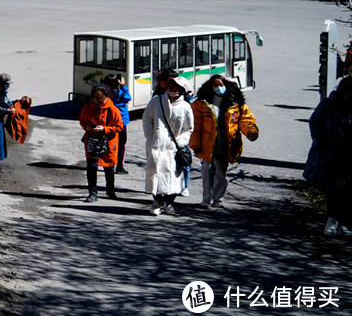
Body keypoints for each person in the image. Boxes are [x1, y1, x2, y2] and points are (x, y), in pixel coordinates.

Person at [190, 75, 260, 209]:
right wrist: (195, 145)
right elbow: (196, 126)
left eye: (221, 85)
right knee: (207, 172)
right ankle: (206, 199)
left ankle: (218, 199)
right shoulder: (201, 104)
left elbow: (246, 120)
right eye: (215, 85)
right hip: (207, 145)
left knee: (221, 173)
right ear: (210, 87)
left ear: (226, 85)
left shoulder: (236, 103)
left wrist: (251, 131)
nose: (218, 88)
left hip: (226, 144)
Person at [303, 76, 352, 236]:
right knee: (334, 189)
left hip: (347, 155)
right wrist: (322, 142)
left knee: (346, 191)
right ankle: (332, 222)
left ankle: (343, 224)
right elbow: (314, 123)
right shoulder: (328, 105)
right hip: (330, 154)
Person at [142, 75, 194, 215]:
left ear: (182, 90)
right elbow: (147, 118)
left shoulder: (185, 107)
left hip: (174, 148)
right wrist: (150, 136)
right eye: (171, 86)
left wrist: (181, 143)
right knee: (155, 173)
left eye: (176, 87)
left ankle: (169, 203)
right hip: (156, 145)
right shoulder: (157, 101)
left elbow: (188, 129)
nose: (172, 89)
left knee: (173, 177)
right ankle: (156, 202)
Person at [80, 82, 123, 202]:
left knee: (109, 167)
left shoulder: (113, 110)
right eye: (96, 98)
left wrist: (105, 128)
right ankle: (92, 192)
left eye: (101, 98)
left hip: (108, 142)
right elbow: (82, 121)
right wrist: (87, 128)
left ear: (106, 96)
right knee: (92, 167)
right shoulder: (87, 107)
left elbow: (119, 126)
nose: (98, 100)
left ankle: (110, 190)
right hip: (92, 140)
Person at [106, 73, 132, 174]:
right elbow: (128, 98)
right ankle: (119, 166)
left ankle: (109, 164)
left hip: (109, 121)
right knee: (121, 144)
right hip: (122, 121)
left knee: (109, 143)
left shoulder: (106, 93)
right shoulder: (122, 92)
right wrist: (123, 86)